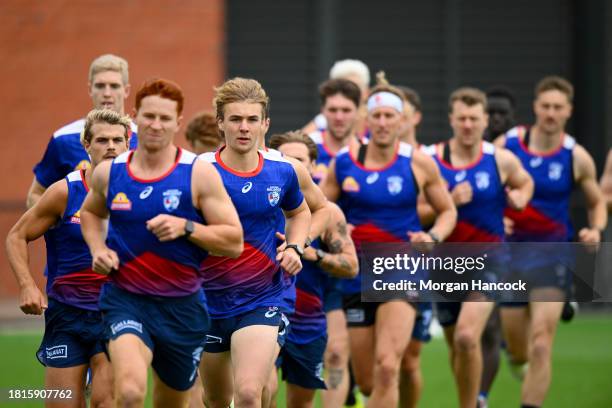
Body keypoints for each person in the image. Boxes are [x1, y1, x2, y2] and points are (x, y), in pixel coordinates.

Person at [80, 78, 243, 408]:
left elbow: (233, 240)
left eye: (165, 118)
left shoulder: (197, 173)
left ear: (177, 122)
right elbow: (90, 214)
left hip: (181, 307)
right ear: (135, 117)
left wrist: (186, 227)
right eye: (149, 116)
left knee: (171, 402)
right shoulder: (110, 173)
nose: (156, 125)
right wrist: (98, 248)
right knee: (128, 392)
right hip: (126, 299)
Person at [321, 72, 457, 407]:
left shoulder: (419, 163)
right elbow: (319, 209)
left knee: (387, 366)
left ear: (402, 120)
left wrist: (433, 235)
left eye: (390, 116)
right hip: (355, 274)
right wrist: (336, 230)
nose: (383, 123)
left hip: (401, 267)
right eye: (377, 116)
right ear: (366, 119)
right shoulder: (344, 164)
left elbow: (448, 211)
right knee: (367, 382)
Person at [198, 77, 329, 408]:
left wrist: (297, 246)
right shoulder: (198, 171)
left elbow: (309, 211)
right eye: (236, 119)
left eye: (252, 119)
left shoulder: (283, 170)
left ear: (265, 124)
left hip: (264, 296)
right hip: (206, 300)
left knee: (247, 392)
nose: (244, 128)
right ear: (220, 123)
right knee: (216, 399)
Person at [6, 109, 132, 408]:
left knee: (106, 401)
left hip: (117, 312)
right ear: (86, 145)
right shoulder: (65, 191)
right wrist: (27, 285)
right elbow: (16, 236)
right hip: (67, 313)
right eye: (102, 140)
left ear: (128, 144)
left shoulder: (138, 192)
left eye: (118, 139)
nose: (111, 146)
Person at [496, 76, 607, 408]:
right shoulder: (508, 145)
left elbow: (597, 201)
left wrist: (596, 229)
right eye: (545, 106)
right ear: (535, 107)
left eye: (558, 107)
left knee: (542, 343)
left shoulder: (577, 157)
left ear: (568, 111)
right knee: (518, 349)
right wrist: (495, 214)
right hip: (512, 254)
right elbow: (488, 186)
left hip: (555, 253)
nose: (550, 113)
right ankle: (517, 359)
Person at [423, 87, 533, 408]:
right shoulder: (431, 159)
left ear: (485, 120)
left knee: (468, 337)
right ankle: (470, 400)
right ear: (451, 120)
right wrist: (449, 203)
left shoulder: (500, 159)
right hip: (443, 265)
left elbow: (525, 182)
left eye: (474, 118)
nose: (468, 125)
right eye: (462, 119)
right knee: (458, 348)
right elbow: (416, 210)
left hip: (490, 261)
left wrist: (520, 198)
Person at [268, 130, 359, 408]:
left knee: (302, 402)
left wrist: (312, 253)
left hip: (308, 319)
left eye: (301, 160)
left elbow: (351, 266)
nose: (294, 166)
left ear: (313, 167)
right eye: (287, 159)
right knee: (261, 390)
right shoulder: (261, 204)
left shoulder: (329, 213)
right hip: (263, 311)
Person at [27, 54, 137, 208]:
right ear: (90, 89)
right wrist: (61, 225)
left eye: (114, 86)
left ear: (126, 90)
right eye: (100, 86)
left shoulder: (143, 140)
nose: (107, 93)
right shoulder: (63, 140)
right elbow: (35, 194)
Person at [309, 79, 362, 184]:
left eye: (346, 110)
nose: (339, 117)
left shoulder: (368, 149)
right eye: (333, 110)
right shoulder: (307, 145)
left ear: (358, 112)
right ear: (322, 111)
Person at [302, 59, 370, 139]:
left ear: (367, 92)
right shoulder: (321, 122)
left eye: (354, 88)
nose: (339, 117)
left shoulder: (380, 120)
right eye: (344, 89)